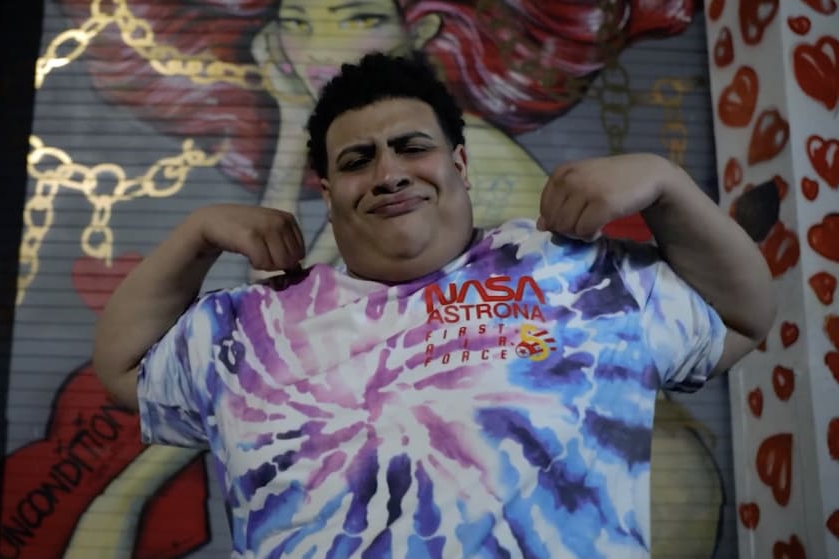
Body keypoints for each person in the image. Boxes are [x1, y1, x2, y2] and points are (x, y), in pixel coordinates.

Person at [93, 52, 774, 558]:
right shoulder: (254, 326)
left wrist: (665, 184)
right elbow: (124, 367)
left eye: (411, 148)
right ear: (327, 193)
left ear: (461, 166)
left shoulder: (570, 274)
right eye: (357, 160)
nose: (388, 173)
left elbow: (739, 317)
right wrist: (196, 234)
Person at [62, 0, 697, 271]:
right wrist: (293, 115)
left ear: (421, 32)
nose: (322, 47)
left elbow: (282, 305)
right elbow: (280, 303)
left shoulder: (459, 156)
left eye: (357, 18)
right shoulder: (363, 163)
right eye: (298, 22)